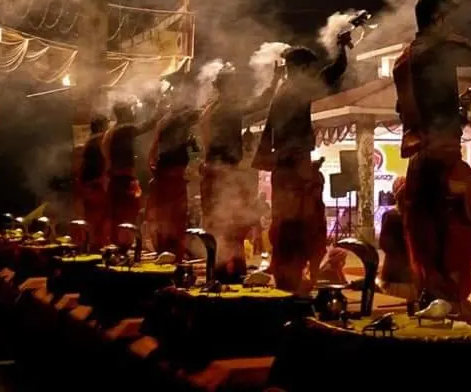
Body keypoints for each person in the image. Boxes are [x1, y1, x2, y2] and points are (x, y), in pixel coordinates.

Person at [393, 0, 471, 319]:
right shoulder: (441, 48)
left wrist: (458, 110)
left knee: (425, 240)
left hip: (420, 159)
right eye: (450, 20)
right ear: (438, 20)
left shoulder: (405, 57)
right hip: (443, 160)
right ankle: (452, 311)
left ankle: (433, 303)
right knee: (454, 237)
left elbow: (413, 111)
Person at [253, 35, 351, 292]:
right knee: (303, 226)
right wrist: (341, 46)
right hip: (295, 170)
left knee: (285, 227)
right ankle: (296, 283)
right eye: (308, 68)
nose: (311, 73)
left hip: (284, 169)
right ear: (300, 69)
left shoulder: (282, 91)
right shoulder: (296, 88)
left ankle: (288, 278)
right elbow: (335, 71)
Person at [199, 65, 279, 273]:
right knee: (233, 225)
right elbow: (259, 104)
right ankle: (229, 269)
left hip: (212, 171)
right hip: (225, 173)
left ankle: (217, 268)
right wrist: (274, 82)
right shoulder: (226, 107)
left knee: (217, 224)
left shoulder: (209, 109)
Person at [147, 100, 201, 261]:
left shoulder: (164, 121)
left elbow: (153, 148)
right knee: (176, 218)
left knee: (164, 218)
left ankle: (165, 252)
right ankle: (173, 255)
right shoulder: (179, 119)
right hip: (172, 175)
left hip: (164, 173)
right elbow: (196, 114)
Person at [102, 99, 161, 242]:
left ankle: (118, 246)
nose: (133, 113)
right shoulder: (124, 129)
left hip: (116, 180)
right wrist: (159, 110)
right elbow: (147, 126)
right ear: (125, 114)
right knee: (126, 216)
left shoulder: (113, 131)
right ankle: (123, 246)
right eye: (130, 110)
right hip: (123, 181)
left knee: (118, 218)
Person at [378, 176, 415, 301]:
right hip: (404, 274)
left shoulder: (391, 216)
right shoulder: (393, 217)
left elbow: (385, 244)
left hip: (398, 274)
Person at [77, 115, 110, 249]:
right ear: (101, 126)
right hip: (96, 185)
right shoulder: (100, 139)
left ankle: (91, 248)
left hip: (88, 186)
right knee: (99, 221)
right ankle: (97, 250)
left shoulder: (89, 141)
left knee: (92, 221)